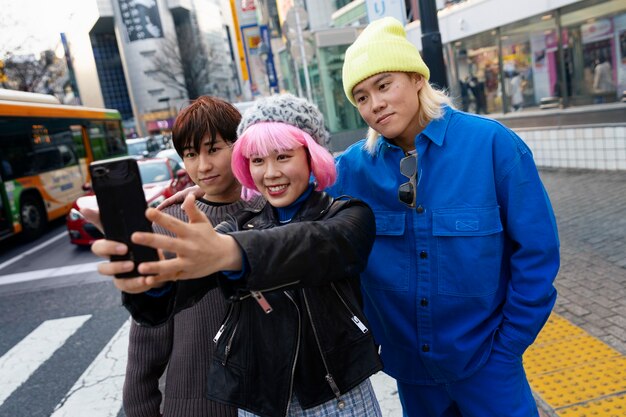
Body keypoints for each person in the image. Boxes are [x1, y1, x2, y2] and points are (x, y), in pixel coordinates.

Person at [89, 94, 383, 417]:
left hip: (339, 401)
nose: (270, 173)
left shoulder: (348, 216)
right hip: (261, 407)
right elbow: (176, 293)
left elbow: (312, 245)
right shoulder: (238, 227)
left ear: (311, 156)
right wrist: (147, 279)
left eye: (283, 156)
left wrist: (233, 252)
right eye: (257, 160)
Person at [332, 17, 560, 417]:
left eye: (384, 85)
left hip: (489, 367)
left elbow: (537, 253)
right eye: (362, 97)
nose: (375, 104)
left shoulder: (492, 146)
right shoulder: (351, 170)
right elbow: (292, 208)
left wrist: (507, 347)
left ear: (418, 78)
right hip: (411, 375)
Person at [123, 96, 264, 417]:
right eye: (190, 154)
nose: (203, 165)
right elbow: (147, 339)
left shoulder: (269, 212)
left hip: (266, 400)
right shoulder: (168, 225)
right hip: (192, 404)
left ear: (239, 144)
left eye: (213, 149)